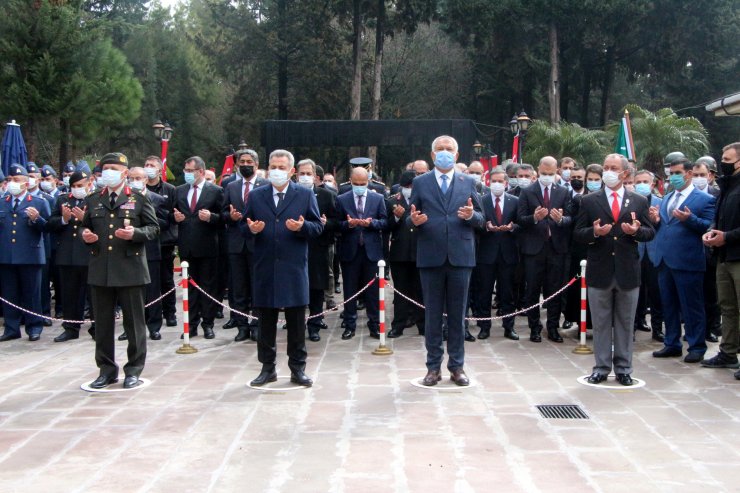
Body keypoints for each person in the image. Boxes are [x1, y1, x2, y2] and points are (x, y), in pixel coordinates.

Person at [242, 149, 323, 387]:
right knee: (265, 321)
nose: (276, 171)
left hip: (293, 266)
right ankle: (267, 368)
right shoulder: (256, 196)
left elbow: (317, 227)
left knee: (296, 321)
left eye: (281, 168)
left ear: (291, 171)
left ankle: (298, 368)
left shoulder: (304, 195)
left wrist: (302, 227)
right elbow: (243, 227)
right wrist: (252, 230)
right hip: (265, 265)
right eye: (272, 167)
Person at [408, 135, 484, 386]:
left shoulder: (468, 181)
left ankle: (457, 366)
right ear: (432, 155)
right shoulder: (420, 182)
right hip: (430, 255)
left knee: (457, 314)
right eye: (439, 149)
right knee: (432, 315)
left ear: (457, 155)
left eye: (448, 149)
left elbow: (482, 219)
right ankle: (433, 367)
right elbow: (411, 217)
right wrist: (414, 222)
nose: (444, 152)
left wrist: (472, 215)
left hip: (461, 257)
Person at [574, 154, 654, 386]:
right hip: (600, 270)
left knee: (625, 322)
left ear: (625, 173)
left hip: (627, 271)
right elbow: (577, 233)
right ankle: (600, 367)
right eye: (606, 167)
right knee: (600, 322)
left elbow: (650, 232)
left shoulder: (639, 201)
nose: (608, 171)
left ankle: (623, 368)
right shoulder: (589, 201)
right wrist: (594, 233)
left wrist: (635, 232)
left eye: (613, 168)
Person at [81, 153, 159, 389]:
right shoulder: (94, 199)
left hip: (130, 268)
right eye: (105, 169)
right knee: (102, 324)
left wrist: (135, 234)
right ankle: (106, 370)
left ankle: (133, 370)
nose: (108, 173)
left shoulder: (137, 197)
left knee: (134, 324)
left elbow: (153, 228)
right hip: (101, 268)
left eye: (113, 169)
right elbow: (87, 229)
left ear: (124, 173)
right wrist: (88, 238)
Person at [649, 157, 715, 362]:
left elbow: (708, 226)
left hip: (688, 260)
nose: (674, 177)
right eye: (671, 173)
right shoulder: (667, 198)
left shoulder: (704, 199)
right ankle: (672, 343)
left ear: (688, 173)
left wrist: (690, 219)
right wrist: (656, 221)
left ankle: (696, 346)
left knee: (691, 306)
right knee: (668, 304)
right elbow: (665, 226)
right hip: (665, 259)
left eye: (678, 173)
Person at [517, 156, 573, 343]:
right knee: (532, 290)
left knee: (554, 290)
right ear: (538, 171)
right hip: (534, 249)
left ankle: (552, 327)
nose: (547, 177)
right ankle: (534, 327)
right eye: (543, 173)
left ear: (556, 171)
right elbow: (520, 219)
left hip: (556, 248)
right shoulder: (527, 192)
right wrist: (534, 217)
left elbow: (570, 219)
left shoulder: (564, 192)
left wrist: (560, 220)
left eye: (550, 174)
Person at [174, 156, 224, 339]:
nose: (186, 174)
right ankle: (191, 324)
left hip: (208, 247)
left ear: (201, 172)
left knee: (207, 287)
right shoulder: (179, 191)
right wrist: (175, 218)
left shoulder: (216, 191)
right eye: (185, 171)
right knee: (189, 289)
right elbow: (171, 214)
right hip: (187, 247)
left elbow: (223, 217)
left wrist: (211, 217)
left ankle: (208, 323)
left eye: (190, 171)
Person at [702, 142, 740, 377]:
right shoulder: (727, 187)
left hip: (737, 255)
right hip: (724, 256)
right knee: (727, 307)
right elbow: (720, 217)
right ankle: (728, 352)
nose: (723, 162)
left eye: (727, 159)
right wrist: (713, 230)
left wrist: (726, 236)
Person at [0, 165, 51, 342]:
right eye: (10, 180)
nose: (12, 183)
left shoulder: (38, 202)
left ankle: (34, 326)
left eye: (16, 180)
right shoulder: (2, 201)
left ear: (25, 183)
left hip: (30, 255)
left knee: (31, 293)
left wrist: (36, 219)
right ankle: (11, 328)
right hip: (6, 256)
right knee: (9, 293)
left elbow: (47, 228)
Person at [336, 167, 387, 340]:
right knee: (350, 289)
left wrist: (371, 224)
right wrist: (348, 225)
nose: (359, 187)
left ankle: (374, 324)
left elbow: (385, 222)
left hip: (371, 251)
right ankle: (349, 324)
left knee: (373, 290)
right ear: (350, 182)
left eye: (363, 184)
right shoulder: (342, 199)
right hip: (350, 250)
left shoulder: (378, 198)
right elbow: (337, 224)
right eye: (356, 184)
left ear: (368, 182)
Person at [222, 148, 267, 341]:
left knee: (256, 285)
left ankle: (256, 324)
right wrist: (230, 216)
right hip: (236, 243)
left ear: (256, 165)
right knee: (239, 287)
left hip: (258, 242)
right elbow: (223, 212)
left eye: (250, 162)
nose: (246, 165)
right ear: (237, 165)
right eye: (242, 162)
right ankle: (241, 325)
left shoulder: (265, 185)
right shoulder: (230, 186)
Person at [472, 167, 519, 340]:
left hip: (508, 253)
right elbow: (476, 222)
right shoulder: (481, 200)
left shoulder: (515, 201)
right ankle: (485, 326)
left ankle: (509, 327)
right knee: (484, 291)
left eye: (501, 181)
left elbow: (522, 224)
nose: (497, 184)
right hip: (486, 253)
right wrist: (485, 227)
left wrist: (512, 227)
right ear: (489, 183)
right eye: (494, 181)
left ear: (506, 183)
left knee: (507, 292)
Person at [122, 167, 169, 341]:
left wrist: (147, 217)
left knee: (152, 290)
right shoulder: (123, 198)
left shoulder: (155, 198)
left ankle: (154, 326)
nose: (135, 181)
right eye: (132, 178)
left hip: (150, 250)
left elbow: (164, 222)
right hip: (128, 250)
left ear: (145, 180)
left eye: (138, 178)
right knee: (130, 292)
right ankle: (130, 327)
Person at [47, 169, 93, 342]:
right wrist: (64, 220)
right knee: (69, 294)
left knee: (93, 294)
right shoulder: (63, 200)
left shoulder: (94, 199)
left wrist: (85, 219)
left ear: (89, 183)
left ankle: (96, 327)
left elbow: (102, 226)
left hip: (89, 254)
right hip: (68, 254)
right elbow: (50, 224)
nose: (76, 189)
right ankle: (71, 327)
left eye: (80, 185)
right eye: (73, 186)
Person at [296, 159, 339, 342]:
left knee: (316, 288)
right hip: (295, 247)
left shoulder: (326, 195)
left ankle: (314, 324)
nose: (305, 177)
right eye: (302, 173)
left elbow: (337, 221)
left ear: (315, 176)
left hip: (318, 248)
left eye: (309, 173)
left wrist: (326, 223)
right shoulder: (290, 194)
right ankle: (295, 323)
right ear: (296, 175)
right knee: (296, 288)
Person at [386, 171, 425, 338]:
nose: (409, 189)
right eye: (406, 186)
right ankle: (398, 325)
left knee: (421, 291)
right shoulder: (392, 201)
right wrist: (395, 217)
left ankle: (423, 325)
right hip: (399, 253)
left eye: (412, 186)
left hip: (420, 252)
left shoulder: (424, 200)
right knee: (400, 291)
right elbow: (385, 227)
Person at [144, 156, 178, 328]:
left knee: (166, 279)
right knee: (148, 282)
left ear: (159, 169)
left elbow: (172, 214)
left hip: (164, 241)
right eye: (146, 165)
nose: (148, 168)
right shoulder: (138, 190)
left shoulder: (169, 189)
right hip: (144, 242)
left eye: (152, 165)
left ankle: (170, 312)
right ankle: (147, 314)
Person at [633, 170, 665, 342]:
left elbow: (665, 227)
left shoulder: (662, 202)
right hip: (635, 253)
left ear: (652, 184)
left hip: (654, 253)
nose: (642, 185)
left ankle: (657, 328)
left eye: (646, 181)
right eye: (638, 181)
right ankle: (633, 325)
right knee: (634, 292)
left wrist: (657, 221)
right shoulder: (630, 201)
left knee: (655, 292)